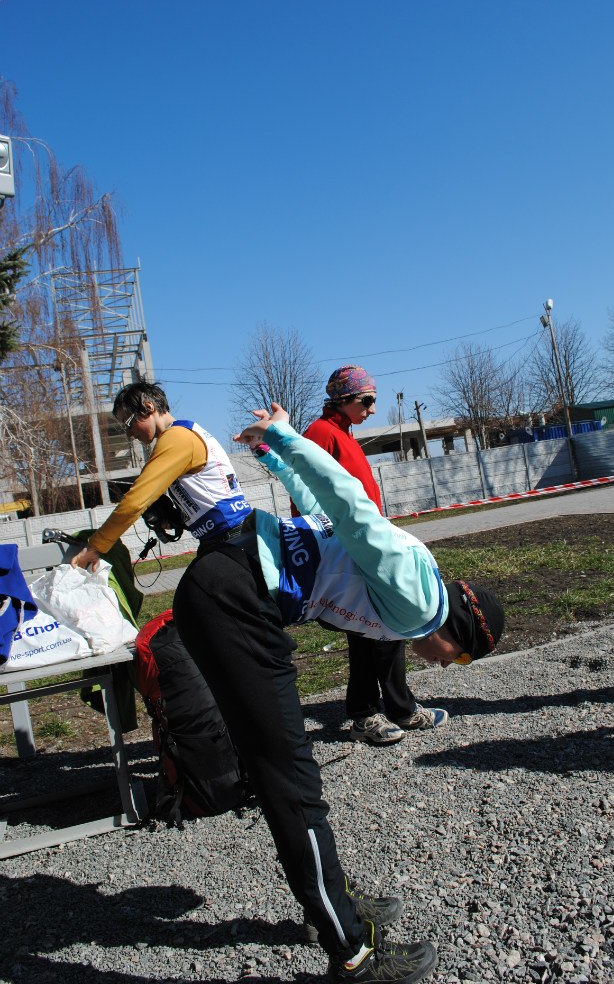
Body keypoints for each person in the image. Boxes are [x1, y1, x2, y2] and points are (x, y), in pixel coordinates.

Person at [73, 381, 440, 984]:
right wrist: (273, 450)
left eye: (129, 424)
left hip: (238, 576)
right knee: (289, 776)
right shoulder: (183, 441)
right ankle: (350, 946)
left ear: (148, 409)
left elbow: (140, 498)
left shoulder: (181, 437)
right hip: (231, 585)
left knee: (289, 775)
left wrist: (96, 547)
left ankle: (337, 908)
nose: (133, 436)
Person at [296, 364, 448, 745]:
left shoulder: (341, 432)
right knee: (372, 632)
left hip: (367, 546)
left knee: (384, 630)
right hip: (348, 549)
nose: (373, 410)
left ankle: (393, 709)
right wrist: (327, 541)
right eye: (367, 400)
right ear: (343, 398)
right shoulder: (320, 432)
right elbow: (304, 488)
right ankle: (369, 715)